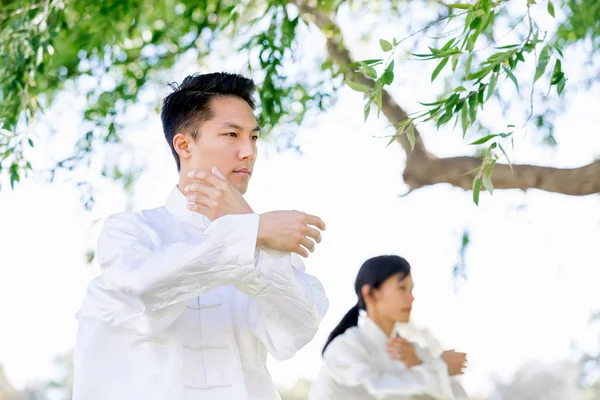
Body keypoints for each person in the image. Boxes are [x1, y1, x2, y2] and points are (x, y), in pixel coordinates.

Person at [72, 72, 329, 400]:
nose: (248, 151)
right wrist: (250, 230)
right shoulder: (130, 232)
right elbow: (145, 288)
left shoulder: (264, 239)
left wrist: (248, 227)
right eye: (232, 134)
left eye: (254, 137)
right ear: (184, 144)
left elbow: (294, 333)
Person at [308, 255, 468, 400]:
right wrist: (438, 368)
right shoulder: (345, 348)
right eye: (402, 288)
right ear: (370, 293)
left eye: (412, 289)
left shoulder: (413, 351)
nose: (411, 297)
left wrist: (420, 363)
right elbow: (380, 393)